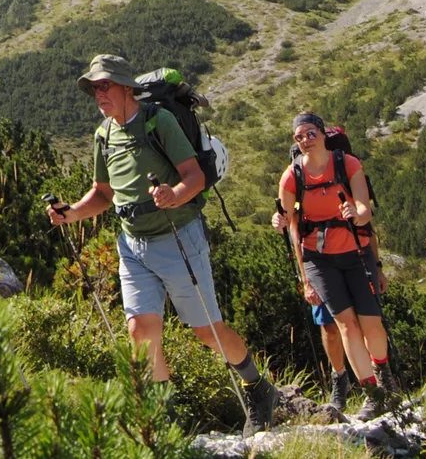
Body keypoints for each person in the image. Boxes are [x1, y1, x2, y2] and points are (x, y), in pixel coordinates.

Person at [49, 54, 276, 429]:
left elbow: (195, 178)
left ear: (126, 87)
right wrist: (71, 212)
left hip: (178, 237)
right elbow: (103, 194)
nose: (98, 94)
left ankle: (257, 386)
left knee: (207, 332)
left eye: (104, 85)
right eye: (94, 87)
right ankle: (164, 422)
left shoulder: (159, 121)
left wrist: (175, 195)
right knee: (140, 330)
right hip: (132, 244)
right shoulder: (103, 135)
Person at [279, 112, 396, 416]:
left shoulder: (348, 164)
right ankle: (373, 393)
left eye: (310, 134)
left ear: (321, 134)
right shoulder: (292, 176)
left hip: (357, 253)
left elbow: (364, 209)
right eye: (299, 137)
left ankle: (384, 375)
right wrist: (279, 220)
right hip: (318, 259)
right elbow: (289, 221)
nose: (305, 140)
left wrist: (355, 214)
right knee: (345, 325)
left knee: (371, 324)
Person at [273, 205, 355, 412]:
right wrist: (306, 280)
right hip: (317, 265)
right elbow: (295, 233)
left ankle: (375, 381)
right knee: (329, 327)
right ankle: (340, 379)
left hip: (350, 257)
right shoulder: (298, 183)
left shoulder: (341, 176)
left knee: (363, 324)